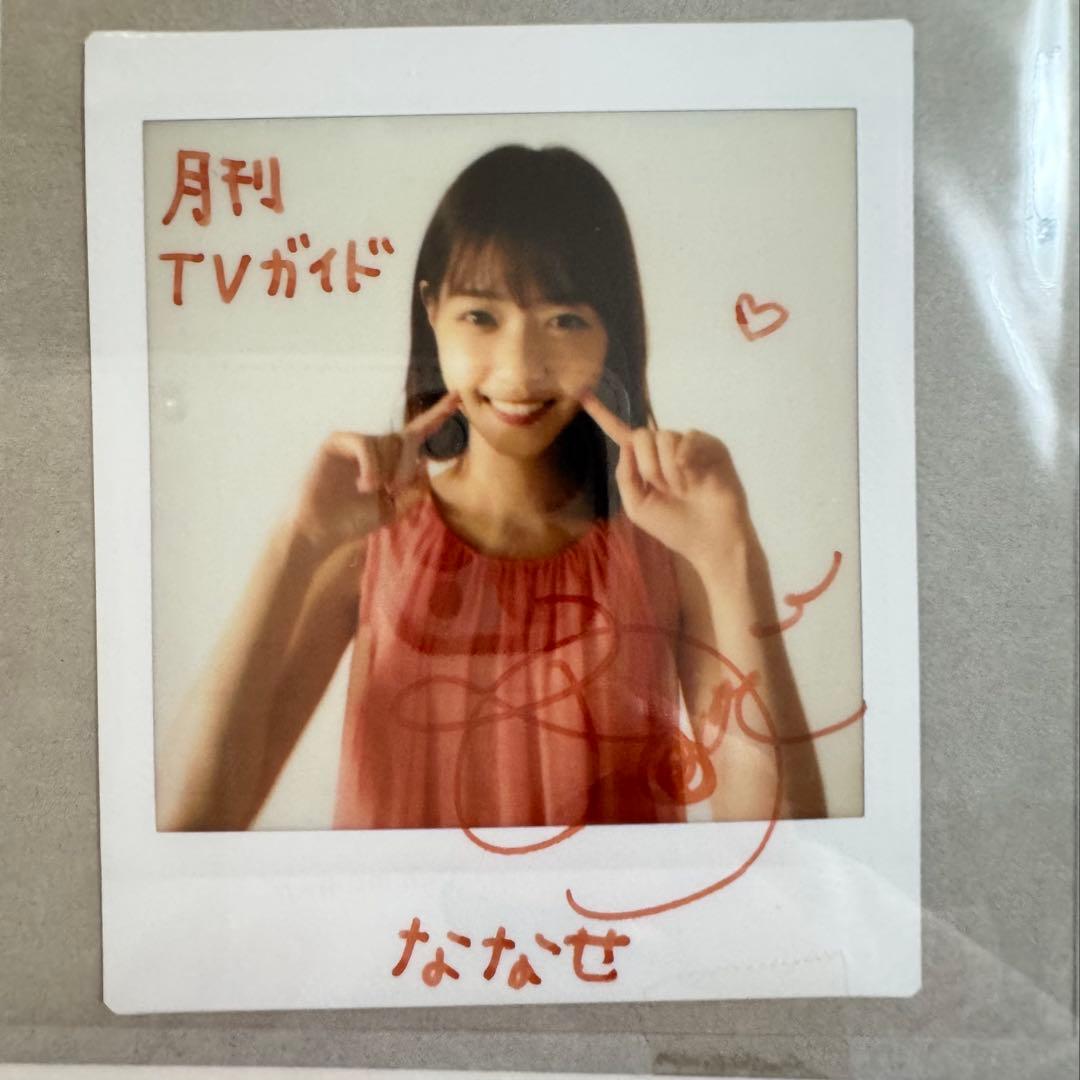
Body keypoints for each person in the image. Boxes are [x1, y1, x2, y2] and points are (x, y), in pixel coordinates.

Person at [156, 145, 826, 832]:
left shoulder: (668, 548)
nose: (520, 368)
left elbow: (782, 844)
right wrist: (295, 543)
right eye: (481, 316)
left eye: (565, 320)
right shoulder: (364, 538)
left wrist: (732, 555)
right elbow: (190, 822)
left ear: (611, 336)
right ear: (432, 311)